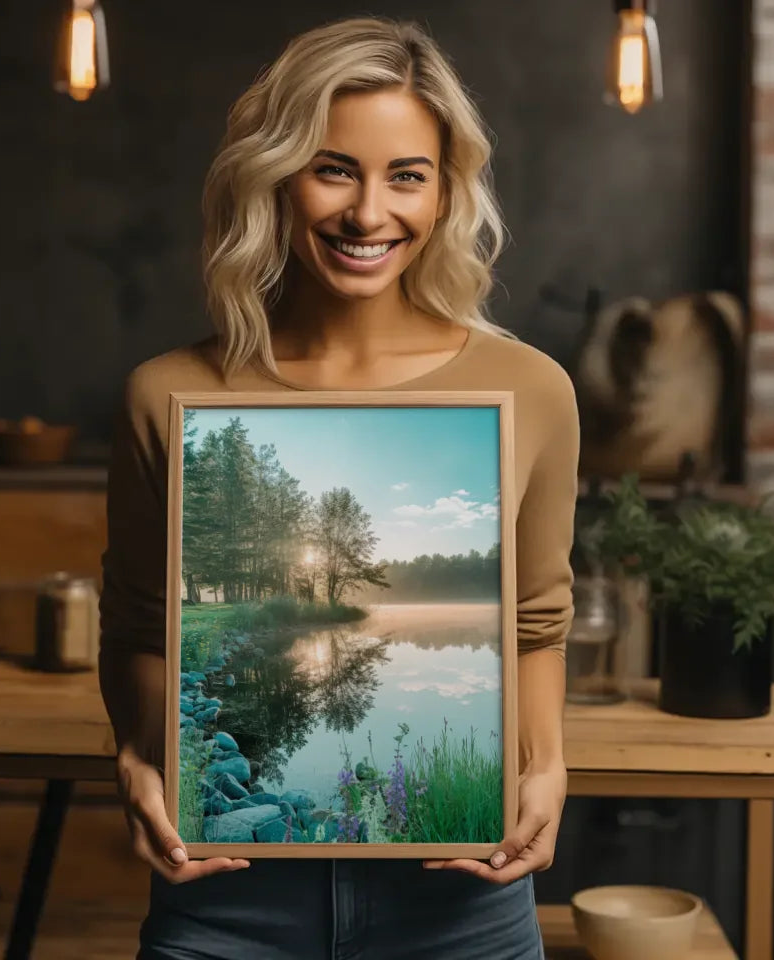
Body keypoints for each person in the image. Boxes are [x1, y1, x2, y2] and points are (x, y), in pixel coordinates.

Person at [98, 16, 578, 960]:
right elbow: (139, 625)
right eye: (333, 169)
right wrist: (135, 754)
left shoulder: (532, 390)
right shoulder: (168, 394)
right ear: (275, 178)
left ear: (445, 195)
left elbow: (534, 624)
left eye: (407, 175)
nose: (369, 214)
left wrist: (548, 766)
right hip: (225, 902)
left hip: (460, 908)